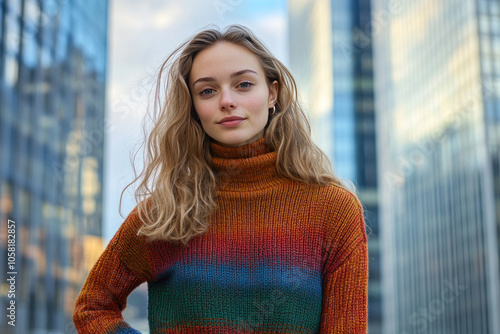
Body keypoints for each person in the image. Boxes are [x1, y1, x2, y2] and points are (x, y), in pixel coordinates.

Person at [73, 24, 369, 333]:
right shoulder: (166, 213)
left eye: (243, 84)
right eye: (207, 90)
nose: (226, 100)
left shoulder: (334, 209)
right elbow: (92, 306)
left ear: (272, 92)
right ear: (194, 107)